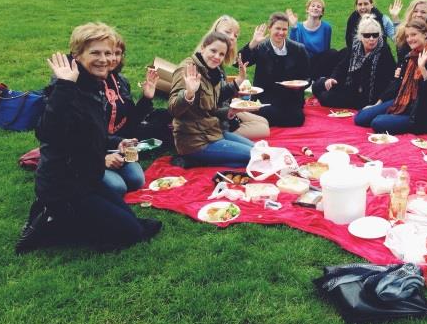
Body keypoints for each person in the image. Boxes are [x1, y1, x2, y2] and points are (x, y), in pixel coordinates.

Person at [15, 23, 162, 254]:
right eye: (95, 53)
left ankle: (62, 215)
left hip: (88, 178)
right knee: (130, 233)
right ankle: (48, 225)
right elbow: (46, 133)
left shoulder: (93, 85)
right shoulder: (65, 89)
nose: (104, 59)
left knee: (137, 223)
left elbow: (92, 134)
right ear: (77, 55)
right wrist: (64, 86)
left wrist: (116, 143)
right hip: (63, 186)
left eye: (107, 53)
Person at [169, 31, 255, 166]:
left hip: (212, 132)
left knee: (257, 150)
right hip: (195, 142)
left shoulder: (213, 70)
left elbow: (213, 103)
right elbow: (173, 110)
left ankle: (213, 161)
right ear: (203, 48)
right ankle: (196, 160)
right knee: (254, 157)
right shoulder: (188, 70)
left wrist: (238, 82)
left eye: (221, 54)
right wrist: (188, 94)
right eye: (213, 51)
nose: (217, 57)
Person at [354, 19, 427, 134]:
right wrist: (378, 104)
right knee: (361, 118)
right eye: (407, 36)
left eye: (413, 35)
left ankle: (395, 118)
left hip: (421, 112)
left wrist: (422, 68)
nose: (410, 39)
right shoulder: (411, 55)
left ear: (425, 34)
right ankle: (392, 114)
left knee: (377, 123)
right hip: (403, 101)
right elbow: (398, 82)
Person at [99, 33, 160, 196]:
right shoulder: (88, 85)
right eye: (108, 53)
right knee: (118, 188)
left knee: (136, 181)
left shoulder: (121, 81)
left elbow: (131, 122)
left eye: (117, 53)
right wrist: (103, 157)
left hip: (120, 145)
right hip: (93, 148)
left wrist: (146, 98)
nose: (113, 59)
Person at [239, 12, 310, 127]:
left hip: (290, 96)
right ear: (270, 28)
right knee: (267, 111)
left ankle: (266, 120)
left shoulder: (298, 49)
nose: (281, 33)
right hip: (266, 96)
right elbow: (238, 63)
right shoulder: (260, 47)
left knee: (298, 118)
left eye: (284, 29)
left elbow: (307, 77)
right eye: (277, 28)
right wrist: (253, 43)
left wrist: (299, 86)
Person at [312, 15, 395, 109]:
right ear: (361, 36)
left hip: (368, 96)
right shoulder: (355, 48)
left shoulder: (384, 52)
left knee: (324, 97)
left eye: (375, 35)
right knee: (317, 85)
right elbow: (342, 66)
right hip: (350, 86)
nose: (371, 39)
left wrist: (379, 102)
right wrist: (333, 78)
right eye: (367, 35)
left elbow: (390, 80)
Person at [209, 15, 270, 140]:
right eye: (227, 32)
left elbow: (237, 60)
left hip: (226, 108)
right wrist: (237, 86)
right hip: (215, 121)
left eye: (235, 35)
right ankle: (224, 136)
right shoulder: (210, 60)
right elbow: (212, 100)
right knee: (264, 129)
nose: (232, 37)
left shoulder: (218, 57)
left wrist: (237, 92)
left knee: (264, 121)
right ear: (215, 31)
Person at [286, 0, 337, 79]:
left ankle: (322, 79)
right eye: (313, 6)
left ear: (322, 13)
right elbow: (293, 48)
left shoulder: (326, 27)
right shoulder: (298, 26)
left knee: (332, 52)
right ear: (307, 9)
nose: (315, 8)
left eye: (318, 7)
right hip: (303, 62)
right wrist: (294, 27)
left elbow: (326, 50)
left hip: (318, 62)